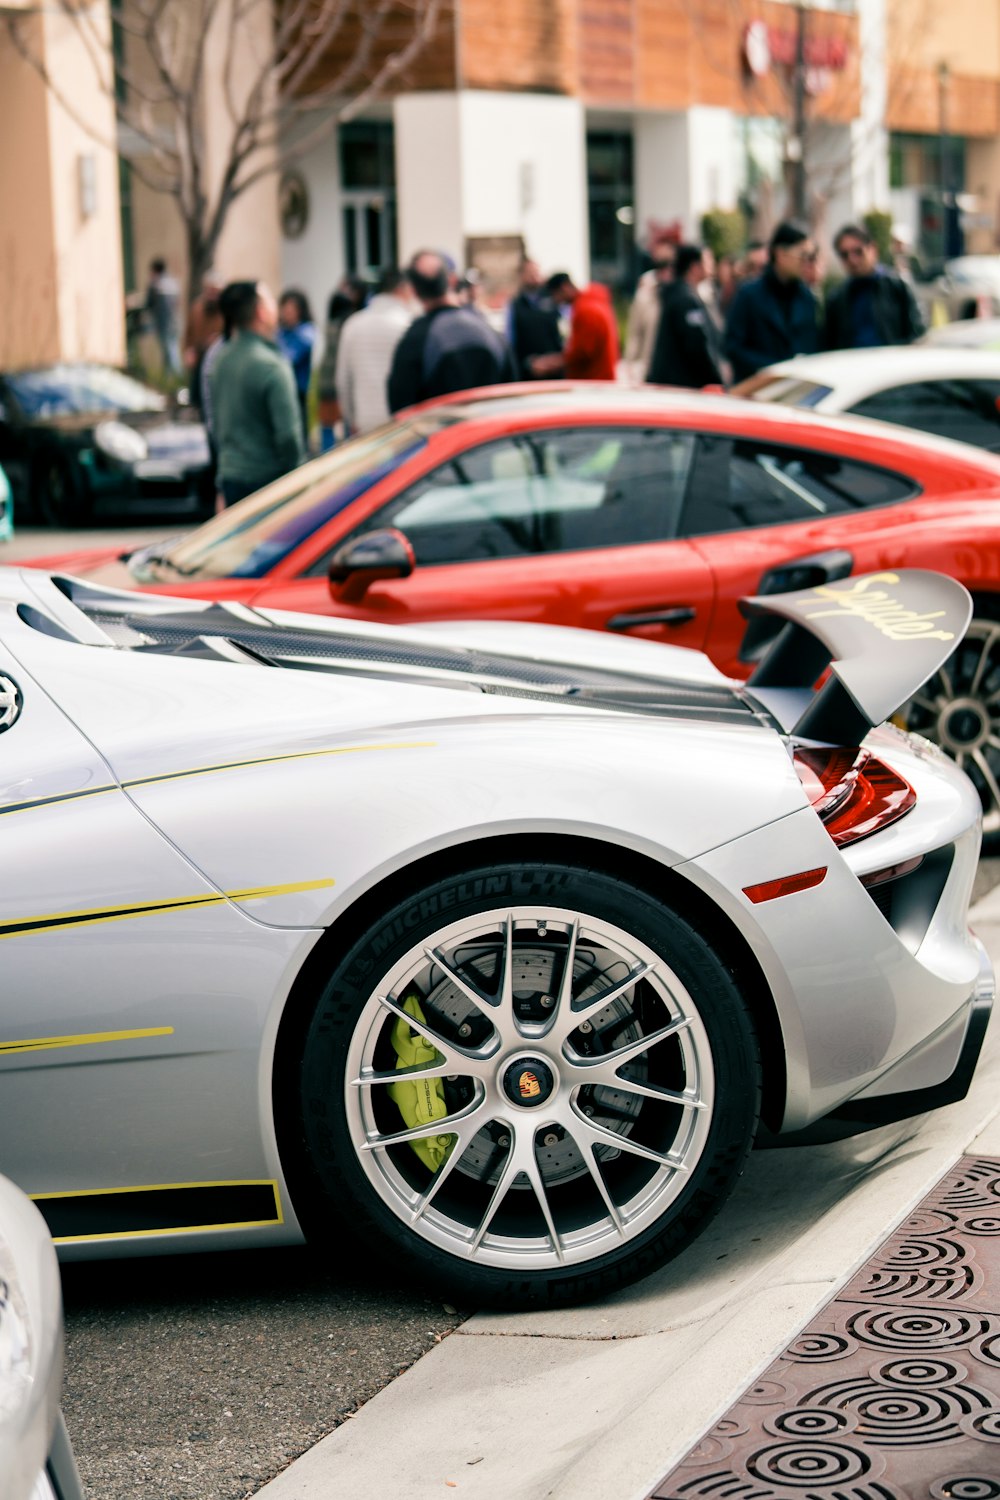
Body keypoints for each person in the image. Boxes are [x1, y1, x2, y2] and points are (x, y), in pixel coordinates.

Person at [209, 281, 305, 507]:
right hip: (267, 481)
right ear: (261, 312)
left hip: (231, 476)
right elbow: (288, 436)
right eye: (270, 300)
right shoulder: (271, 365)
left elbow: (216, 423)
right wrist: (299, 476)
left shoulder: (220, 360)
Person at [387, 250, 515, 412]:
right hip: (490, 432)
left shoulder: (415, 339)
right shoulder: (488, 331)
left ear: (413, 290)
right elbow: (512, 392)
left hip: (441, 435)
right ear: (452, 280)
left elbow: (401, 409)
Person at [724, 222, 820, 383]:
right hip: (757, 391)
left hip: (799, 391)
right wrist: (775, 369)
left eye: (812, 256)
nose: (808, 263)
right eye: (803, 255)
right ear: (780, 254)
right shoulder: (749, 295)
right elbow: (733, 348)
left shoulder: (807, 298)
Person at [334, 267, 415, 435]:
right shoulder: (408, 325)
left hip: (364, 423)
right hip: (404, 425)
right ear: (403, 289)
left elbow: (343, 381)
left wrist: (352, 418)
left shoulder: (353, 325)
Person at [823, 222, 925, 350]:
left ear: (873, 249)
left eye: (858, 252)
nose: (852, 260)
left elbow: (917, 331)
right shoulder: (836, 298)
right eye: (844, 255)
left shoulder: (897, 287)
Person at [647, 243, 724, 389]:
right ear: (695, 267)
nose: (712, 265)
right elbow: (697, 345)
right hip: (682, 386)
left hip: (674, 384)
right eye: (708, 260)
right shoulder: (686, 300)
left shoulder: (679, 294)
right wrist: (716, 379)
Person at [533, 272, 620, 381]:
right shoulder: (593, 301)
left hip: (592, 382)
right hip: (601, 378)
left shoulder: (585, 309)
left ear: (564, 287)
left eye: (556, 295)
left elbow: (581, 353)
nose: (557, 301)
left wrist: (549, 364)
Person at [317, 276, 369, 450]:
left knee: (327, 425)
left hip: (326, 380)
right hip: (342, 381)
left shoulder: (329, 328)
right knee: (347, 424)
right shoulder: (351, 328)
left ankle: (327, 456)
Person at [624, 246, 675, 381]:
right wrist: (630, 363)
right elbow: (635, 333)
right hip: (648, 366)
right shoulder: (645, 293)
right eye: (662, 266)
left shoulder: (682, 292)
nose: (667, 272)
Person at [508, 258, 563, 378]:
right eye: (530, 273)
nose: (534, 277)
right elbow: (512, 342)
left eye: (536, 272)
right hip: (529, 373)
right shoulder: (515, 306)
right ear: (522, 275)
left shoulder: (553, 298)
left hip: (556, 372)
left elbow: (565, 332)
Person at [277, 289, 317, 445]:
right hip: (282, 390)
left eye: (290, 310)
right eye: (284, 309)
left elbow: (287, 358)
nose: (286, 314)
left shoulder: (305, 332)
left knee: (298, 435)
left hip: (298, 393)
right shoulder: (281, 332)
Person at [183, 271, 224, 408]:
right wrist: (188, 351)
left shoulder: (225, 310)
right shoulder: (197, 307)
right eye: (209, 290)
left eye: (215, 291)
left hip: (219, 358)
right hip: (199, 356)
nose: (212, 295)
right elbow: (188, 333)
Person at [145, 257, 181, 376]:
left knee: (170, 353)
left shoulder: (156, 285)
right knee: (171, 351)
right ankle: (170, 378)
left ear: (155, 271)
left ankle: (176, 377)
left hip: (163, 324)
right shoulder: (172, 282)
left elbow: (148, 303)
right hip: (175, 323)